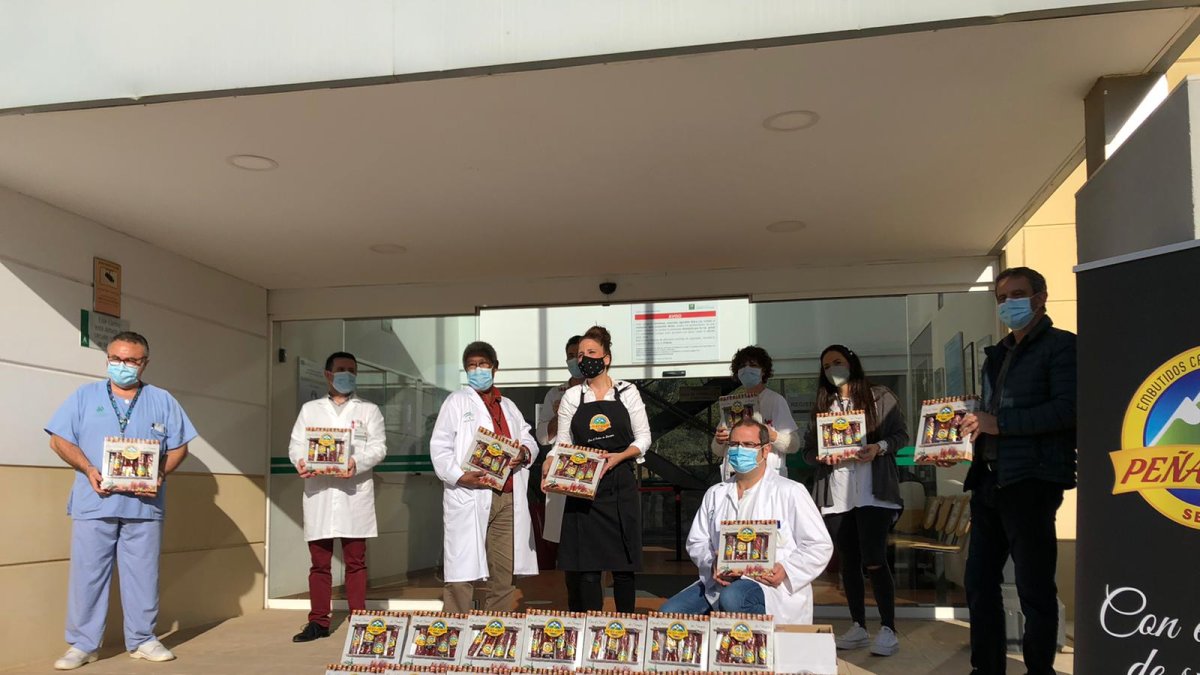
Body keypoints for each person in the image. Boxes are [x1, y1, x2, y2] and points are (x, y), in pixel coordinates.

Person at [45, 332, 196, 670]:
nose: (123, 365)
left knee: (143, 574)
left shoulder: (162, 399)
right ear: (107, 359)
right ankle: (82, 644)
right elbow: (59, 439)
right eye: (117, 358)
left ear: (145, 363)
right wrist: (88, 469)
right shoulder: (84, 397)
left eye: (131, 360)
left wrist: (159, 475)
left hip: (144, 506)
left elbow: (180, 446)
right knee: (88, 575)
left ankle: (142, 639)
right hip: (95, 502)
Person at [959, 267, 1076, 675]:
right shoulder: (997, 355)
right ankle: (986, 668)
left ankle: (1039, 669)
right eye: (1001, 297)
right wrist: (967, 430)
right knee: (978, 584)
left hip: (1033, 481)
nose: (1009, 303)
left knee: (1034, 588)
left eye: (1018, 294)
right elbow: (991, 416)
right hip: (990, 480)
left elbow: (1068, 410)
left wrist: (999, 424)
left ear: (1041, 297)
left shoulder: (1062, 347)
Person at [661, 418, 832, 623]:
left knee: (734, 597)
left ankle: (755, 652)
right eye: (734, 444)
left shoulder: (790, 491)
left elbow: (819, 545)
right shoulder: (716, 493)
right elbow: (696, 542)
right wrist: (712, 562)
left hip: (768, 586)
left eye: (748, 445)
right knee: (670, 614)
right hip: (721, 583)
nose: (739, 450)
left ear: (766, 450)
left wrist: (787, 569)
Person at [803, 344, 908, 657]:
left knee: (874, 558)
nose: (832, 369)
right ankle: (859, 626)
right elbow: (808, 451)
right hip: (837, 494)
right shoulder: (824, 404)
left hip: (873, 492)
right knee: (848, 561)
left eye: (837, 362)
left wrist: (879, 448)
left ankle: (888, 628)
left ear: (851, 363)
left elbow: (901, 435)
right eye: (826, 366)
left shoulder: (879, 396)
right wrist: (820, 456)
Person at [547, 325, 652, 613]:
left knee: (623, 567)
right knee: (588, 569)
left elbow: (644, 438)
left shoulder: (627, 392)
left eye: (591, 353)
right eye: (581, 355)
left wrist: (618, 457)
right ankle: (592, 627)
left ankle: (626, 627)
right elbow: (563, 443)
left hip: (620, 484)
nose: (585, 359)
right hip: (583, 486)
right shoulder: (572, 397)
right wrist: (550, 462)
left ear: (607, 357)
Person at [430, 341, 539, 612]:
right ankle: (454, 633)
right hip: (469, 494)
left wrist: (524, 452)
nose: (478, 370)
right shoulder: (456, 402)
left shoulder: (509, 406)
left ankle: (495, 634)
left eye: (483, 365)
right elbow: (439, 447)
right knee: (461, 571)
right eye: (471, 366)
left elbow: (528, 438)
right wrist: (459, 476)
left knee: (504, 571)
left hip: (507, 497)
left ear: (495, 368)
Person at [288, 352, 387, 643]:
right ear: (328, 374)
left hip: (353, 494)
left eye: (352, 371)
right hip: (320, 493)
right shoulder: (310, 409)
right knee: (319, 563)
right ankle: (318, 622)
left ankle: (360, 623)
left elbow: (380, 447)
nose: (348, 375)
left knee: (356, 562)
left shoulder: (369, 410)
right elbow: (296, 445)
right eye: (342, 370)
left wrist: (358, 463)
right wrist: (301, 462)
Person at [711, 346, 800, 479]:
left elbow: (794, 445)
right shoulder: (733, 403)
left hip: (767, 476)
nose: (746, 369)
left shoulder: (775, 400)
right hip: (734, 475)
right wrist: (719, 440)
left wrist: (773, 435)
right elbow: (717, 451)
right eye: (742, 366)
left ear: (763, 371)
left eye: (752, 365)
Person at [535, 335, 584, 546]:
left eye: (579, 355)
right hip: (561, 463)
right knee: (565, 536)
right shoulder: (555, 393)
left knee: (592, 532)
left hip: (589, 463)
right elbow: (543, 437)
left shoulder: (602, 391)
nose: (575, 361)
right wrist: (559, 414)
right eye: (570, 356)